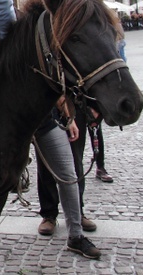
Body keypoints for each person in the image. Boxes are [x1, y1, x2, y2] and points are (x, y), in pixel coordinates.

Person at [34, 99, 101, 260]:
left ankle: (76, 237)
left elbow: (55, 86)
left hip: (45, 121)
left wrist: (69, 118)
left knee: (69, 175)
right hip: (9, 119)